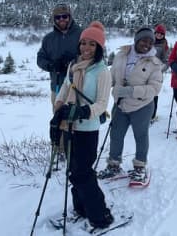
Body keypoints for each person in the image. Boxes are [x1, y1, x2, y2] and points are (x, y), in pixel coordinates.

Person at [50, 21, 114, 229]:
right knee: (73, 170)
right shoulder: (73, 65)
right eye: (83, 43)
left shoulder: (102, 71)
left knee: (83, 173)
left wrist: (83, 111)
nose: (85, 48)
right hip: (68, 126)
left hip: (87, 129)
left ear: (99, 48)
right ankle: (81, 208)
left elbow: (103, 103)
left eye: (92, 44)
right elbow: (65, 88)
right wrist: (59, 108)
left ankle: (100, 215)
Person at [98, 27, 163, 181]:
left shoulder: (154, 63)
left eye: (150, 42)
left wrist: (130, 91)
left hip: (142, 106)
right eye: (143, 40)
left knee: (140, 136)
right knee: (116, 135)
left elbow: (155, 89)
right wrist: (103, 88)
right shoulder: (121, 55)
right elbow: (111, 77)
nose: (146, 44)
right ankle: (114, 165)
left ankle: (140, 167)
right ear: (136, 40)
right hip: (120, 104)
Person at [37, 3, 82, 157]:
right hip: (56, 86)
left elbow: (94, 54)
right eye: (58, 17)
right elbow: (40, 58)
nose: (62, 19)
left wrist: (74, 61)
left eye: (65, 16)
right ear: (54, 19)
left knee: (76, 117)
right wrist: (51, 65)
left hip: (77, 86)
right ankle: (61, 148)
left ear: (70, 17)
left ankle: (76, 148)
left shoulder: (81, 34)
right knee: (59, 117)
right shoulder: (49, 39)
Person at [151, 24, 169, 122]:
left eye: (161, 34)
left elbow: (167, 61)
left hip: (156, 74)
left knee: (153, 94)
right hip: (145, 73)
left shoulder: (164, 46)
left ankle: (152, 116)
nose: (159, 35)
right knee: (144, 93)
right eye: (157, 33)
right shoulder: (149, 42)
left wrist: (160, 69)